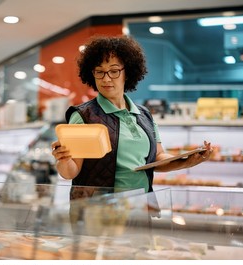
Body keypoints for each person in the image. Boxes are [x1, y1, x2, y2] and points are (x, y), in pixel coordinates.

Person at [51, 35, 213, 199]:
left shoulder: (144, 115)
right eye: (99, 72)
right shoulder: (84, 116)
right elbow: (70, 172)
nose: (106, 78)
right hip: (99, 213)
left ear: (127, 73)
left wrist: (187, 160)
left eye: (114, 71)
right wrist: (63, 160)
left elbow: (157, 157)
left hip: (140, 205)